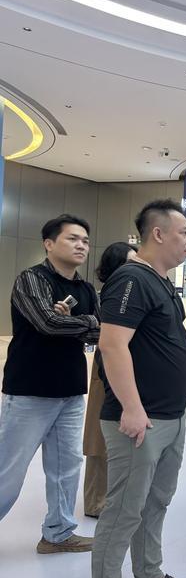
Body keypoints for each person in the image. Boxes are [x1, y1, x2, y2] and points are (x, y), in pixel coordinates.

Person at [91, 200, 186, 578]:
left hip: (171, 416)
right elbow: (112, 345)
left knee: (155, 503)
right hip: (140, 420)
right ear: (158, 234)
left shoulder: (161, 281)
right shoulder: (131, 279)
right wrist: (133, 409)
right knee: (123, 512)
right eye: (184, 233)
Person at [0, 214, 99, 554]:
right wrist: (83, 323)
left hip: (71, 391)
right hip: (29, 391)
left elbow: (100, 333)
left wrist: (75, 321)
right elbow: (47, 323)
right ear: (49, 243)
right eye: (73, 238)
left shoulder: (86, 289)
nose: (81, 245)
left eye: (85, 240)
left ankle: (58, 534)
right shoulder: (31, 279)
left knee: (66, 468)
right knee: (8, 472)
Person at [83, 242, 138, 518]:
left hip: (131, 367)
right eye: (129, 263)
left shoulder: (135, 292)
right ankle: (95, 501)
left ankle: (118, 497)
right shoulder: (109, 295)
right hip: (106, 368)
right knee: (99, 437)